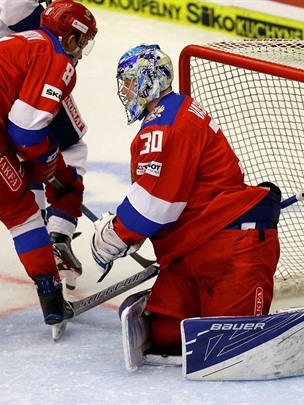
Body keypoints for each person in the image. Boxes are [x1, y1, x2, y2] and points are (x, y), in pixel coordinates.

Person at [90, 44, 281, 358]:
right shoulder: (175, 111)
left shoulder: (166, 125)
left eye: (128, 81)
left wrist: (115, 235)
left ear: (146, 80)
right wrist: (128, 231)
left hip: (231, 245)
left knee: (228, 348)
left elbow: (157, 203)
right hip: (191, 250)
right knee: (165, 333)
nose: (124, 91)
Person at [0, 0, 97, 327]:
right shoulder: (58, 59)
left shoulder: (17, 41)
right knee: (21, 212)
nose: (82, 54)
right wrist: (50, 160)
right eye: (82, 44)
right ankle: (51, 294)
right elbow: (26, 131)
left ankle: (57, 235)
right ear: (71, 39)